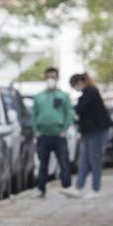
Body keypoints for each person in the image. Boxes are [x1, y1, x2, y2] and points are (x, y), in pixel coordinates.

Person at [30, 66, 74, 199]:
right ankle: (41, 189)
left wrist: (64, 130)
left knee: (63, 162)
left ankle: (67, 187)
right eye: (48, 77)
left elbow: (68, 114)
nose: (50, 80)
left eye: (53, 77)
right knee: (42, 163)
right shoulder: (39, 97)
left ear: (57, 78)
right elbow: (33, 115)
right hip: (43, 136)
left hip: (58, 135)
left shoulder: (63, 96)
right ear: (45, 78)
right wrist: (35, 130)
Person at [71, 73, 113, 197]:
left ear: (79, 82)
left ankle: (95, 189)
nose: (75, 88)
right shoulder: (89, 92)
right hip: (89, 132)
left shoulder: (90, 91)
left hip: (96, 131)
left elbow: (80, 108)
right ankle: (78, 187)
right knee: (84, 160)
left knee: (94, 159)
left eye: (74, 85)